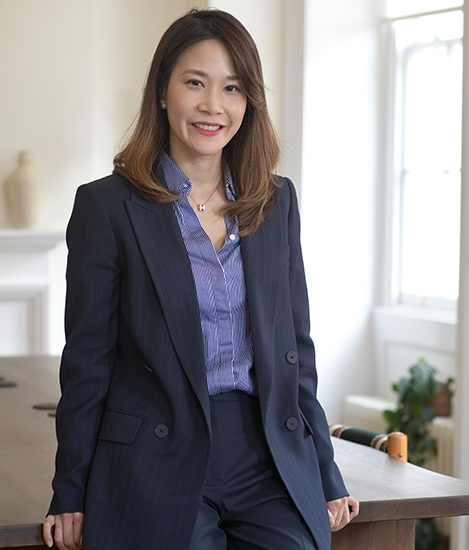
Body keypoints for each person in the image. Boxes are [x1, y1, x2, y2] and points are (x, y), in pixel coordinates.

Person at [43, 8, 358, 550]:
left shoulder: (275, 202)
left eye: (232, 88)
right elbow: (88, 360)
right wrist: (69, 490)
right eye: (196, 83)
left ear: (248, 103)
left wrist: (325, 473)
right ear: (163, 91)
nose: (214, 105)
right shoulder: (107, 206)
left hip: (264, 453)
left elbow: (294, 351)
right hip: (157, 452)